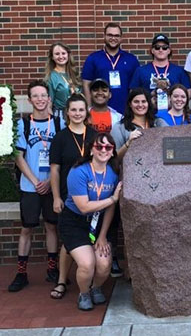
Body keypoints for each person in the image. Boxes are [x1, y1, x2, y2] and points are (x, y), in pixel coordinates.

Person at [8, 81, 63, 292]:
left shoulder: (59, 124)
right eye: (35, 96)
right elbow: (18, 157)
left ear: (49, 98)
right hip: (30, 185)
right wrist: (35, 181)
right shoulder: (23, 124)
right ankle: (21, 273)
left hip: (52, 185)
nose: (40, 99)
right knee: (27, 228)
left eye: (43, 95)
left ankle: (52, 269)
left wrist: (50, 181)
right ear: (30, 100)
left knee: (51, 225)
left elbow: (62, 157)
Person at [59, 132, 121, 310]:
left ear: (112, 151)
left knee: (103, 265)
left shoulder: (114, 172)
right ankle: (84, 293)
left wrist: (102, 236)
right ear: (91, 150)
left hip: (100, 223)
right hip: (75, 222)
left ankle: (96, 288)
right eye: (99, 146)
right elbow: (84, 206)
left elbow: (110, 209)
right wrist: (112, 199)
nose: (103, 150)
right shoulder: (79, 171)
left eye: (108, 147)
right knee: (87, 265)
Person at [50, 93, 97, 299]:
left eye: (81, 109)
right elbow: (55, 170)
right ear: (67, 112)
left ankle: (90, 277)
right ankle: (62, 279)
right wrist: (56, 197)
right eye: (73, 110)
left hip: (93, 197)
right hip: (67, 197)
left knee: (83, 237)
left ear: (86, 112)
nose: (77, 113)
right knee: (68, 240)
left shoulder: (94, 135)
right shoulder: (60, 137)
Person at [87, 78, 123, 277]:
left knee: (112, 215)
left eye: (104, 90)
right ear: (90, 94)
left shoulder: (117, 117)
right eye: (96, 90)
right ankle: (88, 256)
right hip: (90, 170)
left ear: (109, 94)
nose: (100, 93)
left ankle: (113, 256)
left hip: (111, 169)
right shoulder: (85, 116)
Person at [82, 22, 139, 115]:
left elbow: (135, 87)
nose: (113, 38)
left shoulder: (131, 59)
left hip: (125, 111)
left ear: (121, 38)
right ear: (104, 36)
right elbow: (86, 84)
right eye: (110, 35)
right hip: (99, 111)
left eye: (117, 35)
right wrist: (89, 109)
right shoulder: (93, 58)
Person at [130, 33, 191, 111]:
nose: (161, 50)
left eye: (164, 48)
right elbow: (132, 93)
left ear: (169, 51)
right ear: (152, 50)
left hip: (173, 113)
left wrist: (174, 103)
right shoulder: (141, 70)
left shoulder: (179, 71)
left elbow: (188, 92)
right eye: (157, 47)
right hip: (148, 113)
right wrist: (148, 101)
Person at [111, 88, 167, 159]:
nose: (140, 105)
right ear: (130, 104)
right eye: (136, 102)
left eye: (143, 101)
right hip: (131, 168)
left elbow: (172, 143)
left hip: (157, 167)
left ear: (148, 104)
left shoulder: (159, 122)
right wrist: (128, 144)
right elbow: (114, 159)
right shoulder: (119, 127)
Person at [44, 42, 80, 118]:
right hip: (61, 116)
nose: (61, 56)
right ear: (52, 57)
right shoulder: (51, 77)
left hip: (77, 114)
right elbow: (48, 105)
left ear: (68, 55)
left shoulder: (74, 73)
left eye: (63, 53)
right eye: (57, 54)